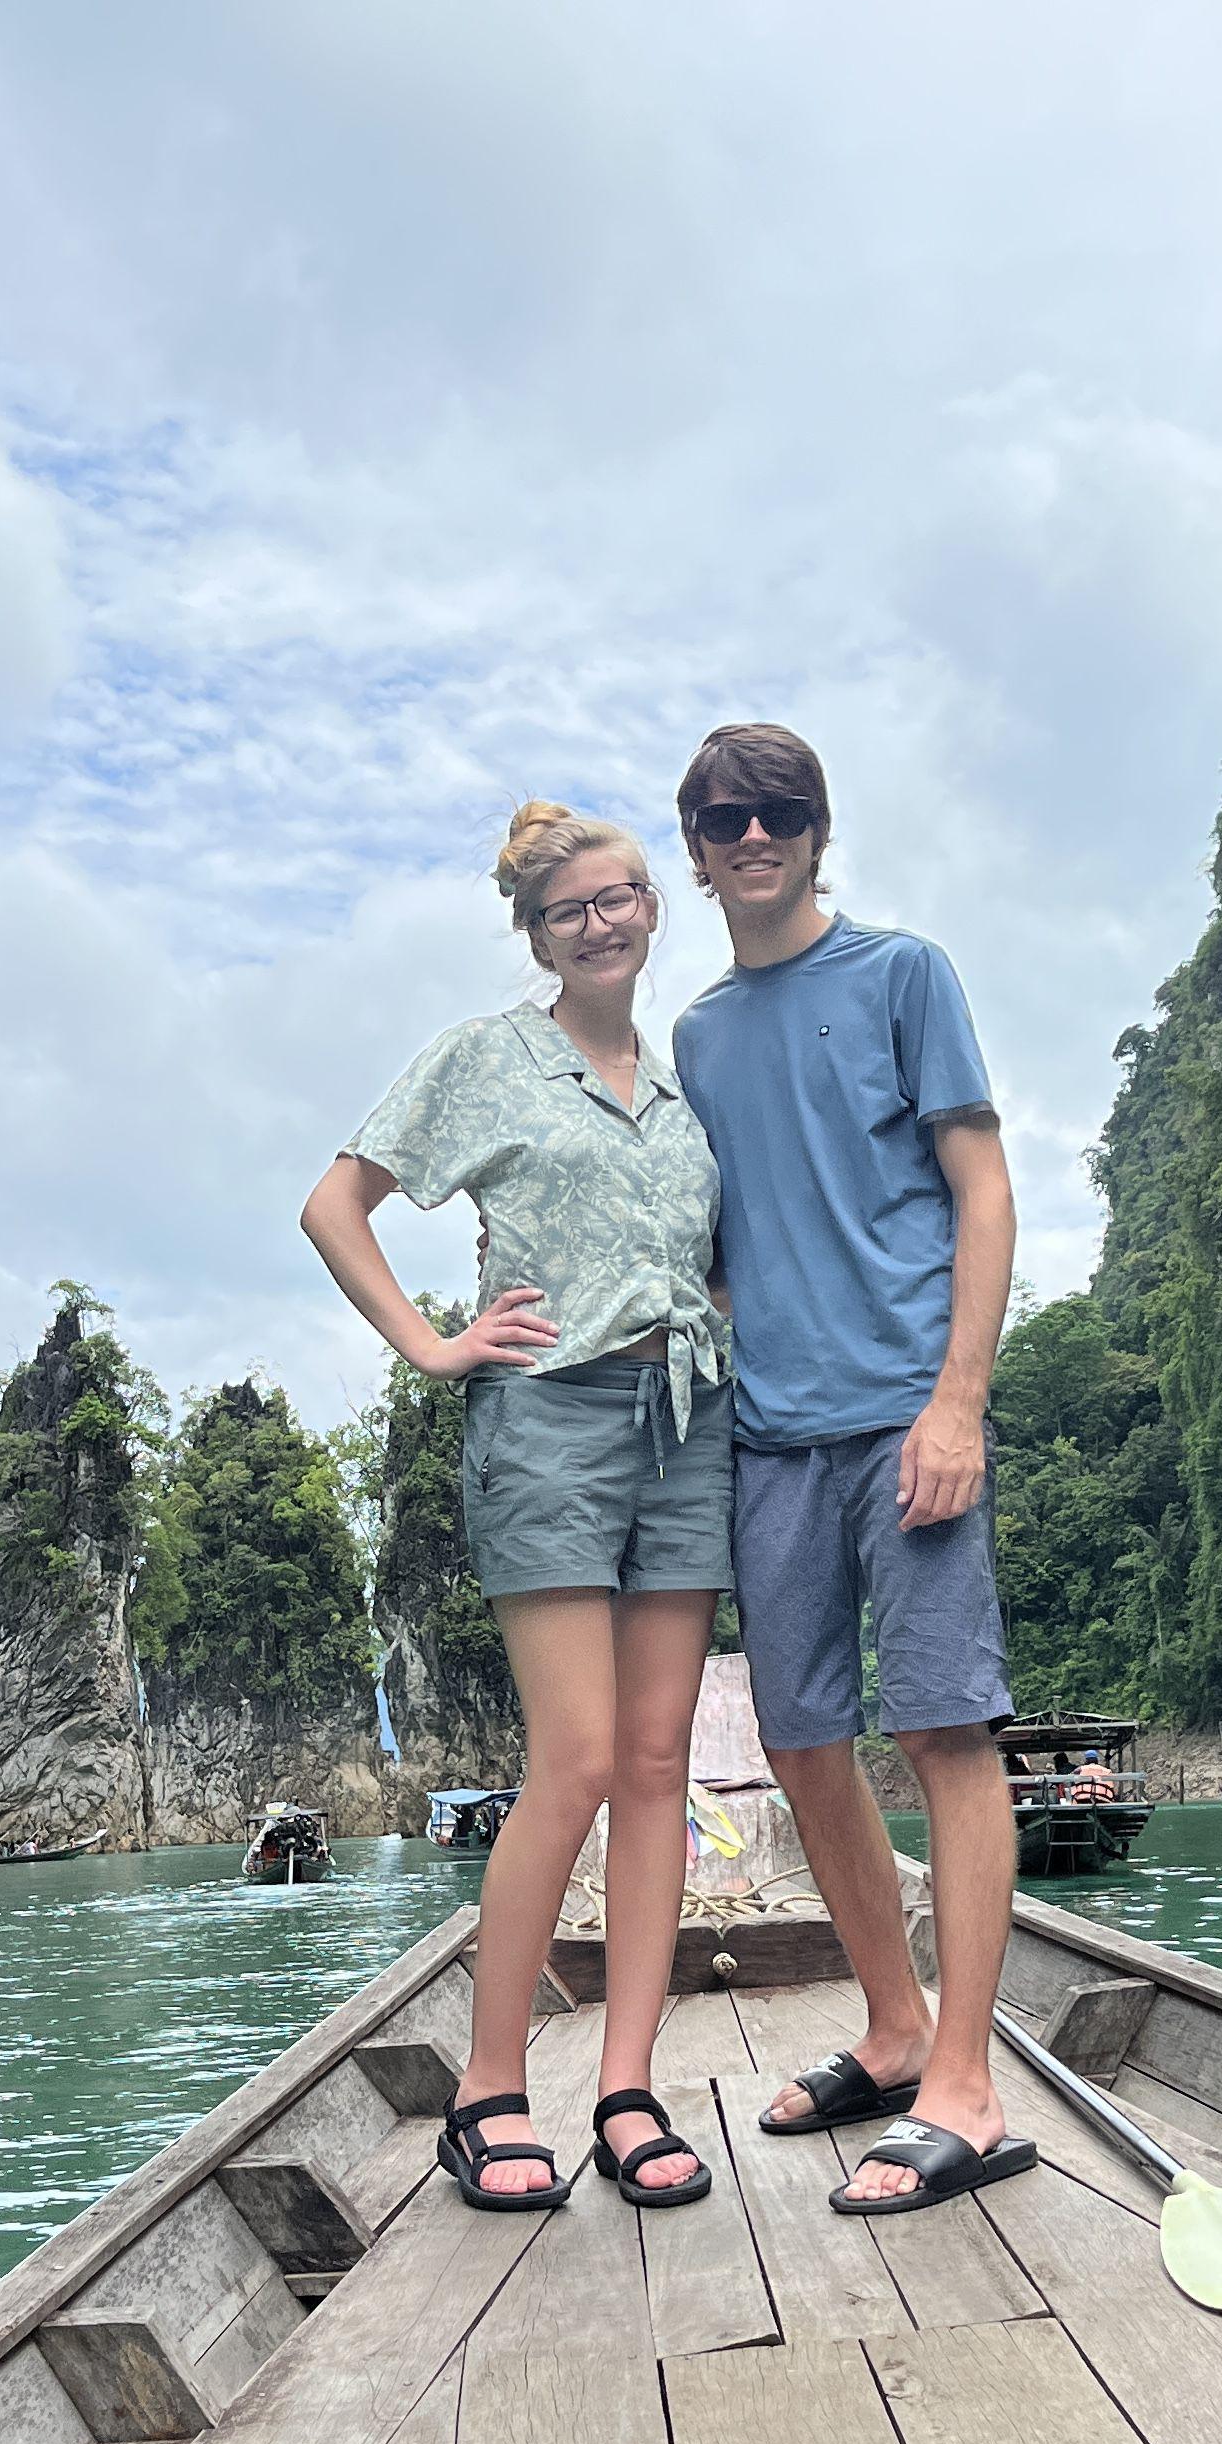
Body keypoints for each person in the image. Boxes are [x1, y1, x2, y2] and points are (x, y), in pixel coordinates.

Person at [300, 801, 733, 2215]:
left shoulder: (680, 1092)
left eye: (618, 898)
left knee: (663, 1765)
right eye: (569, 911)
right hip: (548, 1420)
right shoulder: (490, 1060)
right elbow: (335, 1205)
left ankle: (626, 2087)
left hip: (686, 1425)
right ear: (537, 933)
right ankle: (489, 2092)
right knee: (581, 1763)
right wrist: (431, 1345)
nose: (600, 923)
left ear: (650, 906)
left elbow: (707, 1262)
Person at [665, 723, 1031, 2212]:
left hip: (903, 1418)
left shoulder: (901, 975)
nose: (754, 837)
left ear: (819, 833)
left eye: (781, 813)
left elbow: (984, 1191)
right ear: (694, 848)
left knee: (946, 1730)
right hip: (772, 1438)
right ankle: (890, 2030)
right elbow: (719, 1252)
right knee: (806, 1741)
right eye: (724, 817)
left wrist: (959, 1403)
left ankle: (968, 2077)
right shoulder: (694, 1036)